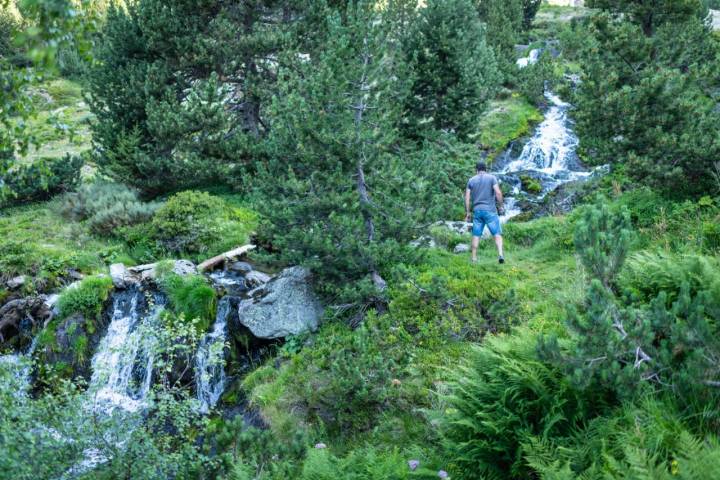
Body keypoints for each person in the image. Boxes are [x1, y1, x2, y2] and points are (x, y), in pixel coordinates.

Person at [465, 161, 505, 264]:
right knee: (497, 234)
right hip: (490, 211)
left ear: (476, 170)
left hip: (477, 211)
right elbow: (498, 192)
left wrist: (468, 212)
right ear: (486, 169)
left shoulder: (471, 180)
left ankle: (474, 258)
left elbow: (467, 197)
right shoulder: (492, 178)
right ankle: (500, 254)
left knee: (476, 234)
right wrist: (501, 206)